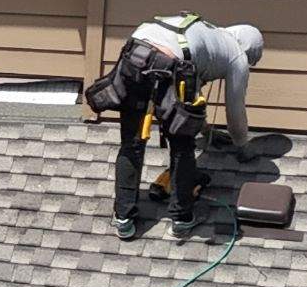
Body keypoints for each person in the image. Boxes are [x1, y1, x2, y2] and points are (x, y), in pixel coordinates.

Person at [83, 14, 265, 240]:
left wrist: (206, 130)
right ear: (249, 50)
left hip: (134, 53)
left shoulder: (210, 35)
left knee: (132, 142)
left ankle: (123, 219)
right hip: (169, 64)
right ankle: (181, 219)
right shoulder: (237, 55)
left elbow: (194, 94)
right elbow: (235, 111)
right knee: (182, 146)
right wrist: (242, 146)